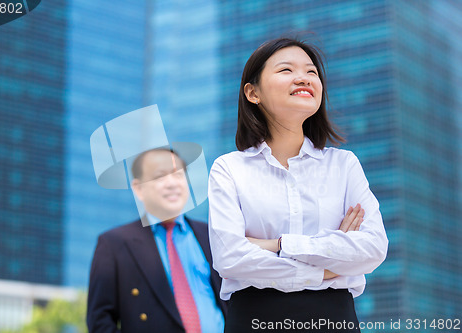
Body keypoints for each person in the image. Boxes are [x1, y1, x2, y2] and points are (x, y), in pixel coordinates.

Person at [208, 37, 388, 332]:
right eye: (286, 70)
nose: (303, 78)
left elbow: (373, 247)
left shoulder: (343, 165)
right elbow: (230, 258)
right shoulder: (229, 169)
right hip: (255, 320)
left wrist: (279, 245)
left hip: (334, 320)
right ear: (253, 93)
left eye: (311, 72)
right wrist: (327, 266)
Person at [87, 148, 226, 333]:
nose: (172, 184)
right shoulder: (114, 244)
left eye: (178, 175)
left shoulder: (212, 234)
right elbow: (100, 322)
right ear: (138, 188)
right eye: (160, 177)